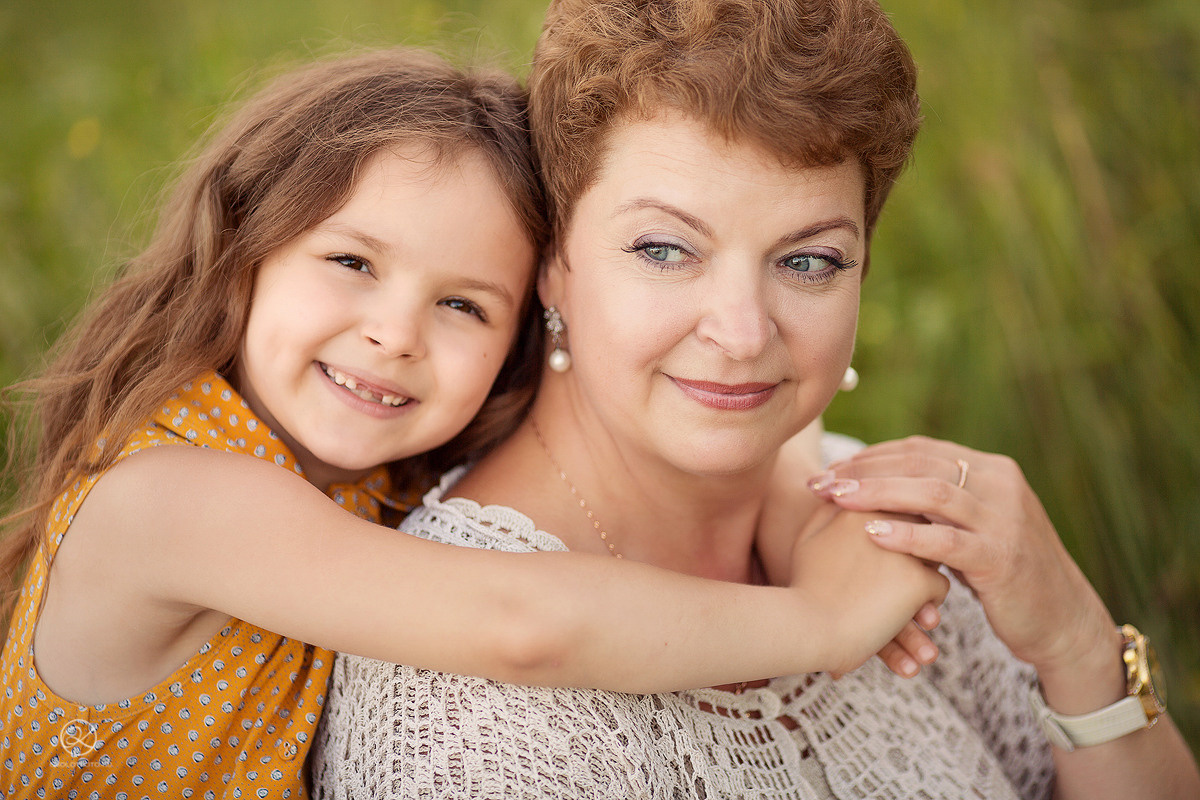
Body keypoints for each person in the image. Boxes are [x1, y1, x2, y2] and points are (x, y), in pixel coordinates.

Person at [0, 47, 948, 799]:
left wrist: (797, 507)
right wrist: (823, 621)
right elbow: (522, 620)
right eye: (352, 262)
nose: (394, 335)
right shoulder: (168, 500)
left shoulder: (374, 467)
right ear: (244, 247)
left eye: (464, 306)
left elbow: (736, 425)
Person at [312, 2, 1200, 798]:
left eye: (807, 261)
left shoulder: (890, 526)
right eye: (664, 250)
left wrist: (1078, 648)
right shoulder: (456, 702)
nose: (742, 333)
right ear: (552, 261)